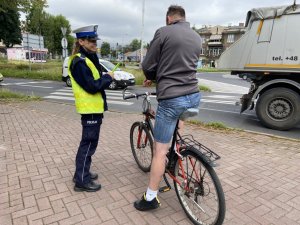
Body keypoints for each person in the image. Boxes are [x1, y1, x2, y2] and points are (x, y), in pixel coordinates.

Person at [134, 5, 202, 211]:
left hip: (171, 98)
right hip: (194, 96)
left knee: (159, 150)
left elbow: (148, 64)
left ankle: (151, 198)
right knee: (176, 131)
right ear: (184, 18)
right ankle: (175, 155)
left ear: (168, 18)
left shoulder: (163, 32)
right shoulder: (197, 36)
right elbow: (185, 63)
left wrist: (151, 77)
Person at [69, 25, 113, 192]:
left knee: (89, 143)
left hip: (93, 109)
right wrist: (108, 78)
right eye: (91, 41)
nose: (95, 43)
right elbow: (92, 86)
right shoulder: (79, 62)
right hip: (89, 110)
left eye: (96, 40)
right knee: (88, 144)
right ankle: (81, 180)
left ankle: (82, 173)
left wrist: (104, 74)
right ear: (81, 41)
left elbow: (95, 77)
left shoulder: (88, 58)